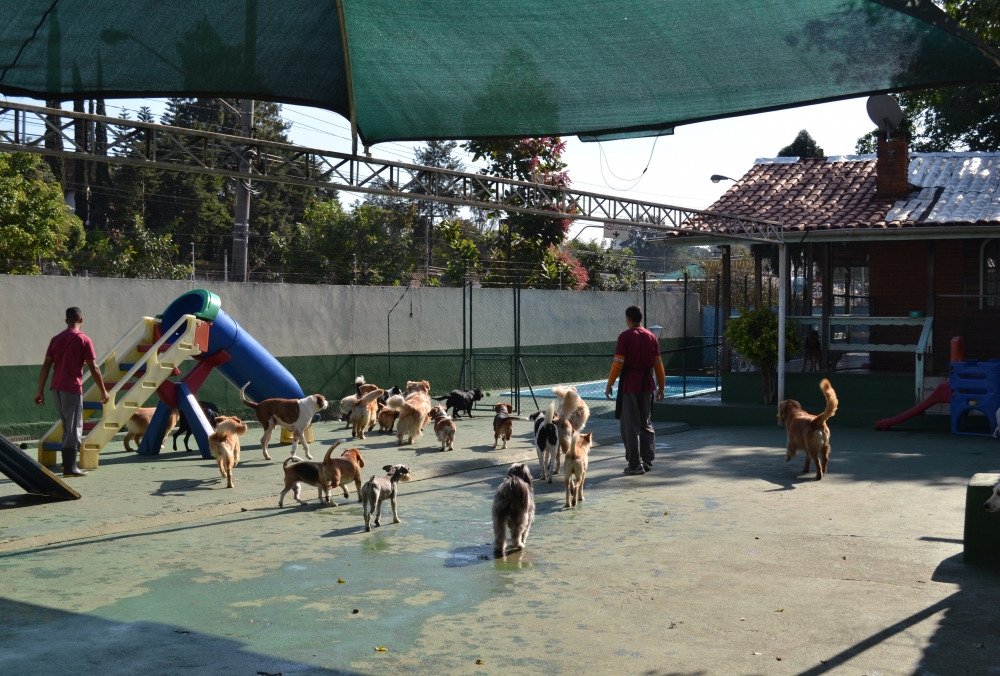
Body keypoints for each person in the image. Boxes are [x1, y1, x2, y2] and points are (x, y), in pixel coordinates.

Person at [34, 307, 109, 477]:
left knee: (68, 425)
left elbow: (46, 365)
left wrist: (39, 391)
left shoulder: (55, 339)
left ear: (66, 320)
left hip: (56, 388)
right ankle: (70, 468)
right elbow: (94, 367)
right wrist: (103, 390)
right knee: (75, 427)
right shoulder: (84, 339)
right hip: (72, 388)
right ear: (81, 320)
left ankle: (67, 464)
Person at [605, 305, 665, 475]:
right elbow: (659, 365)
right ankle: (647, 459)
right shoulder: (652, 337)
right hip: (647, 385)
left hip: (630, 384)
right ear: (640, 319)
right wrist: (661, 387)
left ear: (629, 319)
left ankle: (634, 464)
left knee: (630, 425)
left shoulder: (625, 337)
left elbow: (618, 363)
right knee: (645, 422)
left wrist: (610, 383)